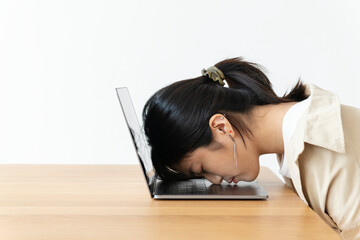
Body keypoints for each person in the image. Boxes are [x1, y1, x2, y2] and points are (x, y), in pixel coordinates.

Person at [142, 57, 360, 240]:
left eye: (201, 169)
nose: (215, 180)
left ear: (221, 127)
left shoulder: (328, 152)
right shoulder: (296, 136)